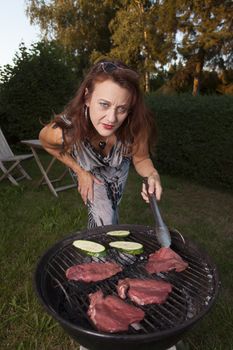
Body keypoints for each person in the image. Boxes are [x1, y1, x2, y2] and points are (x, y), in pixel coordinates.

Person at [39, 60, 162, 228]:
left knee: (112, 208)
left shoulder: (136, 125)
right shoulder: (65, 131)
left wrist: (153, 175)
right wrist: (79, 170)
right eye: (104, 104)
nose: (112, 119)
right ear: (87, 97)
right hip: (89, 168)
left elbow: (141, 159)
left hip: (119, 168)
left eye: (122, 109)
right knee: (104, 215)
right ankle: (101, 252)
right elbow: (47, 144)